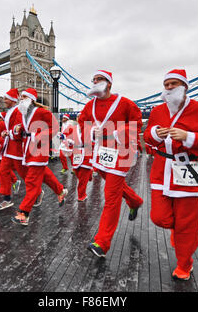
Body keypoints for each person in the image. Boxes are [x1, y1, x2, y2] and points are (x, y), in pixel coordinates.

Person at [144, 69, 198, 281]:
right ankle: (179, 232)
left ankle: (184, 264)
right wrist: (154, 134)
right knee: (159, 217)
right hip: (161, 170)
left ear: (185, 87)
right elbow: (147, 137)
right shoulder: (157, 111)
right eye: (167, 85)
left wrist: (189, 137)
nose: (169, 88)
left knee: (187, 223)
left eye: (174, 84)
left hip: (188, 171)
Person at [79, 70, 144, 258]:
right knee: (114, 186)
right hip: (100, 153)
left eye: (100, 79)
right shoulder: (89, 106)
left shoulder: (125, 103)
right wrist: (91, 133)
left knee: (111, 195)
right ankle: (135, 201)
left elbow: (136, 125)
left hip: (120, 153)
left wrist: (113, 133)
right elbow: (82, 123)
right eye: (94, 79)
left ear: (109, 84)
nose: (95, 82)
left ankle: (102, 242)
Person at [11, 88, 68, 226]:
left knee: (31, 181)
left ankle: (24, 213)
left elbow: (55, 127)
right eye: (21, 97)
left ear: (31, 99)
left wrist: (40, 136)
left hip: (39, 150)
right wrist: (17, 130)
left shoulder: (42, 112)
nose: (21, 99)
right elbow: (24, 130)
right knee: (45, 175)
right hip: (28, 150)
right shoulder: (24, 113)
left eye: (24, 97)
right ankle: (60, 190)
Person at [0, 89, 23, 211]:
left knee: (25, 174)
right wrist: (6, 133)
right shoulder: (11, 111)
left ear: (12, 100)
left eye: (6, 99)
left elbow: (19, 128)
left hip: (16, 148)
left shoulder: (18, 111)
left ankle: (37, 192)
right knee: (3, 172)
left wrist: (8, 133)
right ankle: (6, 199)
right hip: (8, 147)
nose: (4, 101)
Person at [71, 113, 93, 202]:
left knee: (82, 177)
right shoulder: (74, 128)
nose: (79, 118)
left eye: (81, 117)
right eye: (77, 117)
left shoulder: (90, 127)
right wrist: (70, 142)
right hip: (77, 153)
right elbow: (74, 139)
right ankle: (90, 173)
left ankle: (81, 195)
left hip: (87, 152)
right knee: (77, 173)